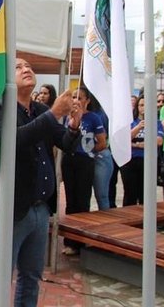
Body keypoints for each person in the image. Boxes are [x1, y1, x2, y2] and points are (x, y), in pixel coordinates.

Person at [0, 58, 81, 307]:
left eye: (28, 66)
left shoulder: (38, 109)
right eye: (18, 67)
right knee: (0, 278)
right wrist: (54, 113)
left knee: (31, 277)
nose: (26, 69)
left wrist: (73, 126)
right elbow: (12, 142)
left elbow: (65, 143)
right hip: (10, 210)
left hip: (40, 207)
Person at [61, 86, 106, 255]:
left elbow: (102, 142)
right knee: (70, 201)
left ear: (87, 101)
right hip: (69, 160)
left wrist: (90, 150)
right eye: (73, 97)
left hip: (85, 161)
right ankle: (69, 241)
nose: (76, 101)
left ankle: (80, 242)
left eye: (79, 98)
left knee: (82, 200)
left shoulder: (94, 118)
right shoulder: (67, 116)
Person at [122, 95, 164, 206]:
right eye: (141, 105)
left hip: (148, 161)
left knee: (145, 194)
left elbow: (159, 141)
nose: (144, 108)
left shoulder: (156, 123)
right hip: (131, 160)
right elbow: (124, 139)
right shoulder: (131, 122)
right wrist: (138, 128)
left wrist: (138, 145)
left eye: (146, 105)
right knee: (130, 193)